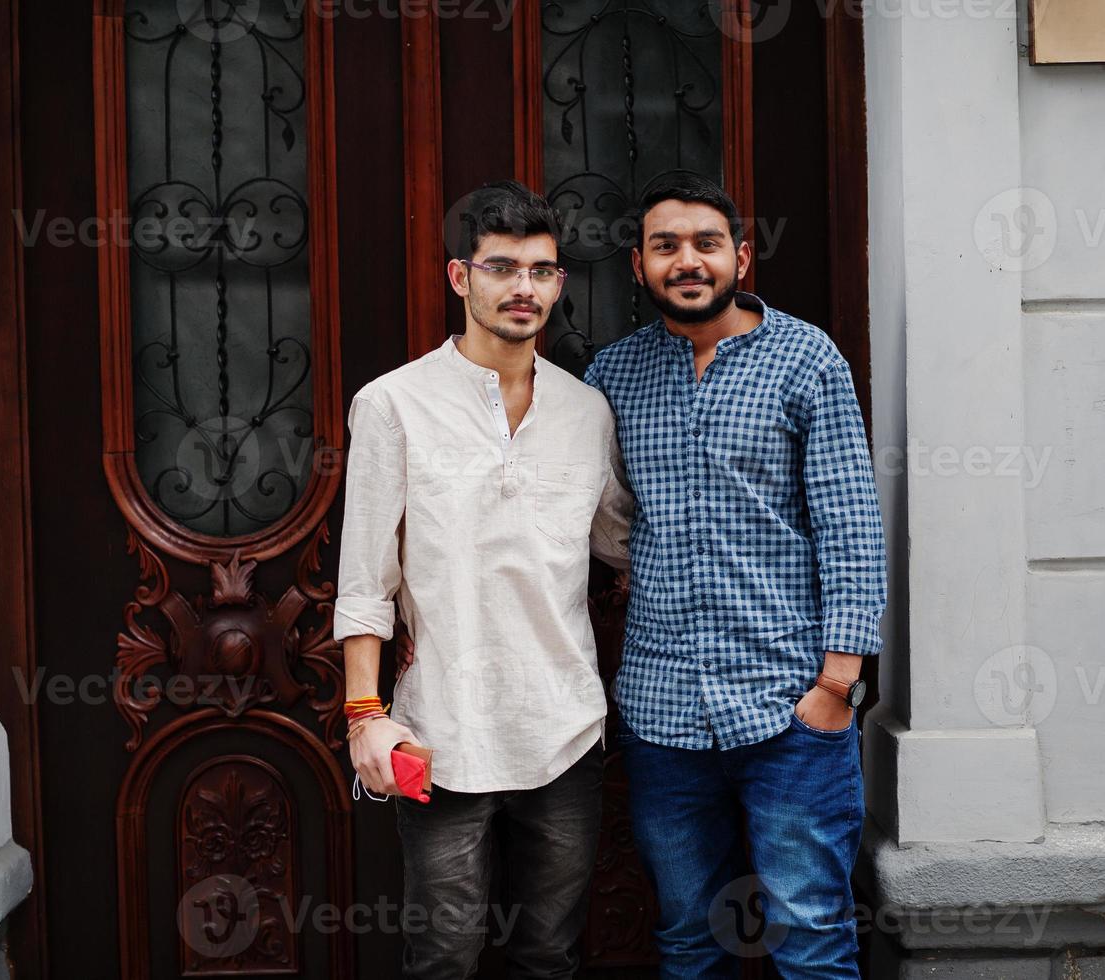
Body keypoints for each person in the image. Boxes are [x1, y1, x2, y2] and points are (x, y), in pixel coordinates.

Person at [583, 172, 886, 979]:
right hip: (661, 714)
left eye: (705, 244)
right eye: (665, 246)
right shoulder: (610, 377)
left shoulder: (803, 357)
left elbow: (849, 524)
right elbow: (592, 521)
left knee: (812, 939)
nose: (687, 261)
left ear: (740, 256)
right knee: (687, 940)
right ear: (639, 267)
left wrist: (836, 686)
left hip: (790, 710)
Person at [332, 179, 633, 980]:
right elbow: (365, 576)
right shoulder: (392, 404)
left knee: (548, 956)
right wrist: (365, 715)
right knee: (444, 958)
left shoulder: (585, 412)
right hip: (440, 731)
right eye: (502, 268)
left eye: (540, 271)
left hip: (563, 730)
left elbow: (622, 547)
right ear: (460, 278)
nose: (523, 288)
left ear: (558, 284)